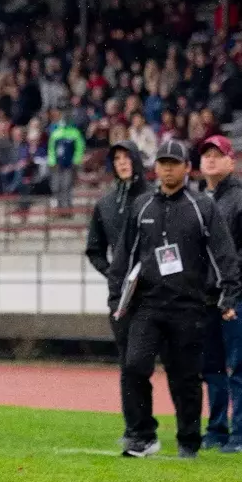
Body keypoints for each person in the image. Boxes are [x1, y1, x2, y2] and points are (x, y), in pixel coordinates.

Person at [113, 139, 240, 458]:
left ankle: (188, 440)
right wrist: (118, 299)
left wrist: (227, 295)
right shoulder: (141, 206)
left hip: (188, 306)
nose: (168, 168)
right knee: (134, 366)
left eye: (174, 162)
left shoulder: (202, 206)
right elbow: (125, 256)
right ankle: (142, 434)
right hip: (147, 305)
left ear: (187, 168)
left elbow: (222, 253)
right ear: (155, 168)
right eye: (162, 163)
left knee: (185, 377)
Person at [196, 136, 242, 453]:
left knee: (239, 366)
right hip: (206, 297)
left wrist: (227, 273)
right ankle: (215, 430)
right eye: (206, 155)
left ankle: (241, 434)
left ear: (231, 161)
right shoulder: (197, 200)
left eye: (217, 155)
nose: (210, 160)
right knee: (211, 366)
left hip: (237, 296)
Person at [84, 141, 145, 363]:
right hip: (120, 296)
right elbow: (94, 249)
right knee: (129, 363)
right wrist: (113, 273)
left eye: (127, 157)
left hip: (155, 294)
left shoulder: (154, 197)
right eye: (117, 159)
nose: (122, 163)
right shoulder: (105, 204)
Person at [46, 109, 86, 210]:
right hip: (57, 164)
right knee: (56, 185)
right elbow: (51, 149)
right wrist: (52, 162)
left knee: (67, 185)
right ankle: (58, 206)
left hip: (69, 164)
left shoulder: (75, 133)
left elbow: (79, 148)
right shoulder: (55, 133)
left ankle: (67, 206)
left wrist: (76, 161)